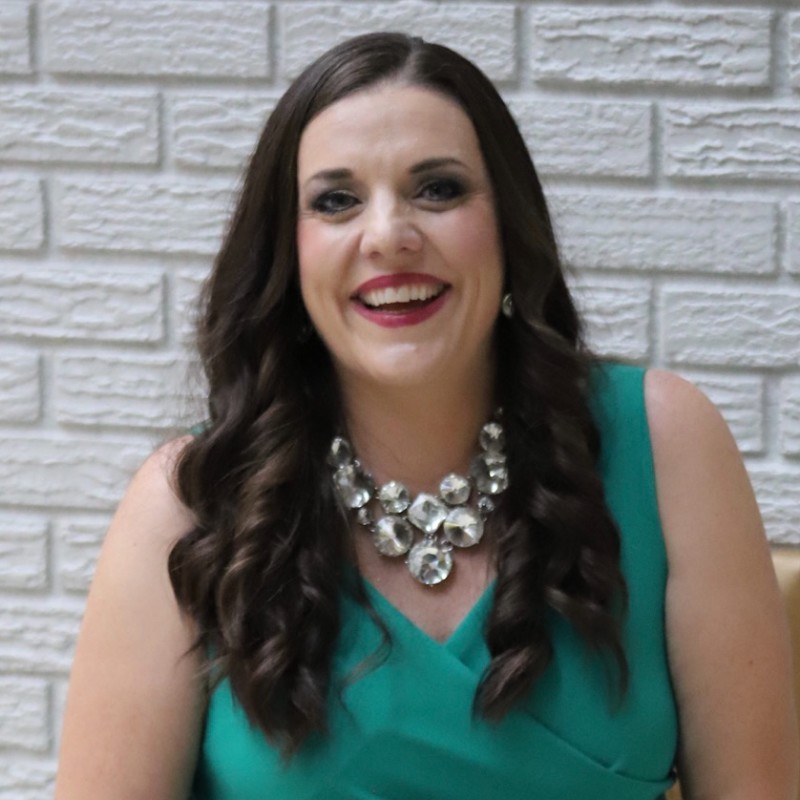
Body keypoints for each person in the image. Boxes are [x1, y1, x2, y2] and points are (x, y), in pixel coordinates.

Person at [55, 32, 797, 800]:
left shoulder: (668, 446)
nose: (389, 236)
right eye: (336, 201)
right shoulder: (186, 505)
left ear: (509, 229)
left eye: (438, 189)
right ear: (290, 255)